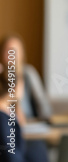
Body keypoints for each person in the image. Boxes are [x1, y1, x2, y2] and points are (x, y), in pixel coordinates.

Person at [0, 34, 49, 162]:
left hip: (31, 133)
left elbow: (44, 109)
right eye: (8, 51)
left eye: (15, 52)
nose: (11, 57)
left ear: (22, 54)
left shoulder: (28, 74)